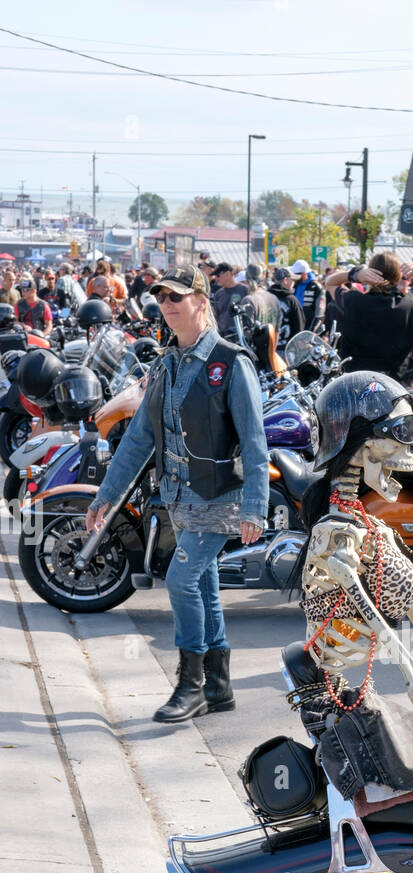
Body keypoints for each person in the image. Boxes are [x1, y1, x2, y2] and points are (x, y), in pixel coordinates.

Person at [85, 265, 269, 725]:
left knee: (181, 580)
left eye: (178, 297)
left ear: (202, 302)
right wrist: (104, 496)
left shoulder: (231, 361)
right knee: (203, 585)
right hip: (178, 497)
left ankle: (190, 686)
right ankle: (219, 686)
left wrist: (254, 507)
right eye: (162, 298)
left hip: (220, 496)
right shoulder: (165, 364)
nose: (168, 305)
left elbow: (254, 441)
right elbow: (137, 440)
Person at [329, 252, 413, 385]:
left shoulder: (354, 300)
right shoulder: (410, 303)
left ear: (369, 273)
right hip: (399, 384)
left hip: (358, 382)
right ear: (399, 275)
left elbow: (330, 282)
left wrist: (355, 275)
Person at [268, 265, 304, 348]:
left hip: (268, 348)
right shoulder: (291, 300)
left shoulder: (265, 296)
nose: (294, 283)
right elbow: (299, 325)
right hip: (287, 349)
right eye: (293, 280)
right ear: (285, 280)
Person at [240, 264, 281, 329]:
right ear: (263, 277)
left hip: (256, 339)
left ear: (246, 279)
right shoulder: (274, 298)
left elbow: (247, 331)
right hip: (273, 338)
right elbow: (277, 329)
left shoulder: (248, 300)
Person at [211, 263, 247, 336]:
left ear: (227, 274)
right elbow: (215, 316)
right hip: (223, 337)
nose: (216, 279)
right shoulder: (218, 294)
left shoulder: (245, 290)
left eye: (218, 275)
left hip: (241, 337)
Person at [291, 260, 325, 329]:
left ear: (304, 274)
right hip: (294, 325)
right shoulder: (293, 285)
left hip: (308, 326)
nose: (295, 276)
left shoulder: (316, 287)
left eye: (297, 274)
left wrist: (312, 330)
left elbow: (319, 313)